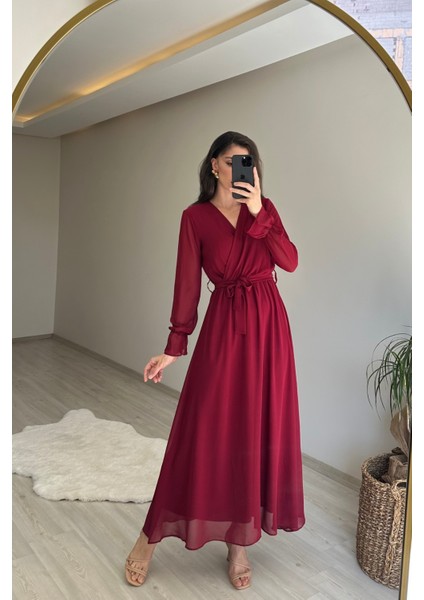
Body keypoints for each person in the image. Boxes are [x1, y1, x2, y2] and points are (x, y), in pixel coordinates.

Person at [125, 131, 305, 591]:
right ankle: (149, 536)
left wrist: (259, 210)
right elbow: (187, 283)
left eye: (249, 162)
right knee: (201, 429)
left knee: (252, 431)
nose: (242, 168)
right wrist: (174, 345)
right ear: (214, 166)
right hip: (225, 327)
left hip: (269, 329)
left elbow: (289, 261)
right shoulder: (195, 218)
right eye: (232, 161)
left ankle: (238, 543)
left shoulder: (264, 210)